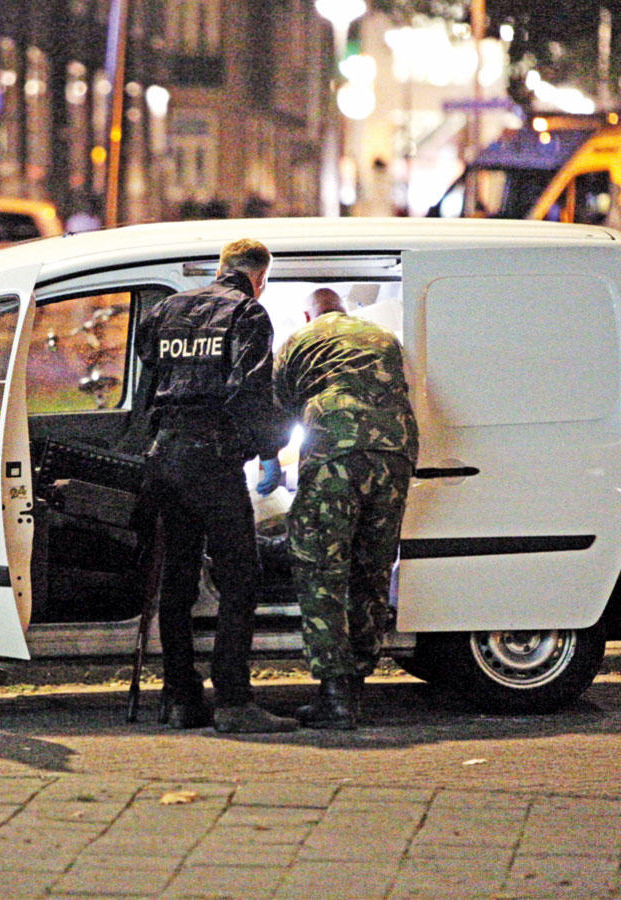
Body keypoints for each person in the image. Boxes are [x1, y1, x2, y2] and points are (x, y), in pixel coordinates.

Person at [136, 238, 297, 734]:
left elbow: (149, 381)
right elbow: (248, 391)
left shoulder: (166, 310)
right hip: (212, 460)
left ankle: (180, 697)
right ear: (259, 277)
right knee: (241, 577)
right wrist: (271, 449)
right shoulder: (247, 314)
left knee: (178, 581)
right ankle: (233, 701)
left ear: (221, 268)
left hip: (164, 458)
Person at [273, 288, 419, 729]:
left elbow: (281, 408)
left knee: (322, 569)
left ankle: (335, 698)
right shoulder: (381, 336)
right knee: (371, 568)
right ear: (345, 310)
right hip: (395, 452)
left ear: (307, 314)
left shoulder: (300, 340)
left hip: (337, 451)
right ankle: (357, 682)